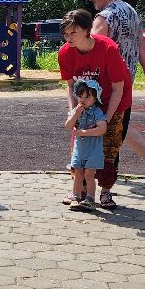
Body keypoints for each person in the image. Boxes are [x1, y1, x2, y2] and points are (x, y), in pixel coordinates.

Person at [84, 0, 145, 189]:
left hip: (104, 84)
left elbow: (91, 51)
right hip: (125, 81)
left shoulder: (104, 17)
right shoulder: (131, 12)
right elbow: (142, 49)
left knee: (104, 125)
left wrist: (83, 79)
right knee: (119, 123)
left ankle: (90, 175)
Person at [57, 9, 131, 210]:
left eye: (73, 32)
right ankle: (80, 190)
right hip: (84, 102)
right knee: (80, 144)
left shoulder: (108, 49)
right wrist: (73, 112)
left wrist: (106, 119)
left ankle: (106, 190)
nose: (69, 38)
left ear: (87, 30)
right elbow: (71, 86)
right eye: (66, 33)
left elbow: (118, 88)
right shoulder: (65, 52)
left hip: (113, 100)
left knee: (109, 146)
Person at [63, 78, 108, 209]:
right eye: (80, 96)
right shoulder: (77, 110)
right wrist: (75, 114)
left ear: (95, 98)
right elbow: (68, 125)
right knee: (78, 173)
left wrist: (83, 132)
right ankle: (76, 196)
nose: (82, 99)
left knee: (89, 174)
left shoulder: (96, 112)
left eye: (87, 97)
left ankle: (90, 198)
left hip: (93, 150)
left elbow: (102, 129)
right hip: (80, 149)